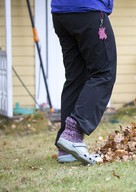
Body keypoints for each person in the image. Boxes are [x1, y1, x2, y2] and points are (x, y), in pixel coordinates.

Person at [51, 0, 117, 165]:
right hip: (88, 10)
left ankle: (65, 149)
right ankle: (72, 133)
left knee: (76, 78)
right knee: (104, 72)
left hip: (61, 13)